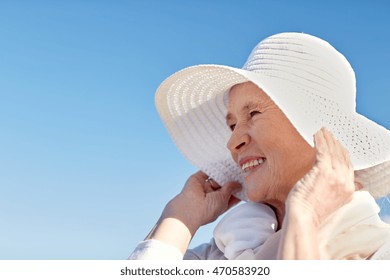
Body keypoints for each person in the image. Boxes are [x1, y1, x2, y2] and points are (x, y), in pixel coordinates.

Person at [129, 32, 390, 260]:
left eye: (253, 113)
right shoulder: (222, 253)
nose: (232, 142)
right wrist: (182, 215)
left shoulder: (378, 252)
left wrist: (304, 219)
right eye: (232, 125)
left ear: (322, 131)